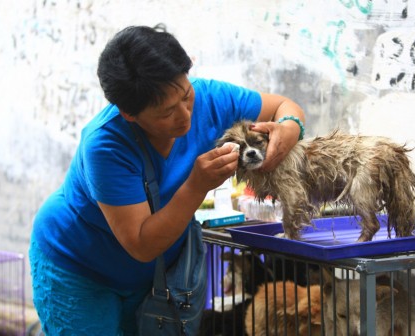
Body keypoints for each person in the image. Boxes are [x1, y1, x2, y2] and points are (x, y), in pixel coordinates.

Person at [28, 25, 305, 335]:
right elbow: (143, 244)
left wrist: (291, 127)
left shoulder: (209, 97)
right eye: (166, 112)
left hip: (148, 274)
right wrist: (197, 185)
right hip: (79, 266)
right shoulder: (105, 145)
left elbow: (283, 106)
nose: (185, 115)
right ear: (130, 114)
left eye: (186, 96)